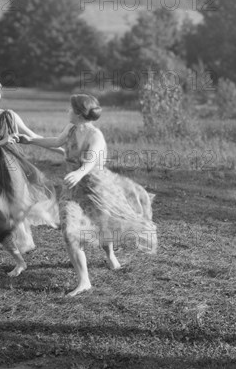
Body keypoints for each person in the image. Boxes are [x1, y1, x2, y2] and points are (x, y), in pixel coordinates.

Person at [21, 94, 157, 295]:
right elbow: (56, 141)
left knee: (102, 225)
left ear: (78, 113)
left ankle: (110, 255)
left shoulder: (96, 136)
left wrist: (79, 172)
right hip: (72, 189)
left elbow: (91, 161)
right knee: (69, 232)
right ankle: (84, 281)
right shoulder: (71, 128)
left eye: (70, 109)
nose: (67, 112)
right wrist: (31, 140)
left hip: (95, 188)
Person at [0, 77, 60, 277]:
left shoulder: (9, 115)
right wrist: (1, 142)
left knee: (18, 210)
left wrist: (62, 150)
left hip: (12, 169)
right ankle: (20, 261)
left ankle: (36, 231)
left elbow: (32, 136)